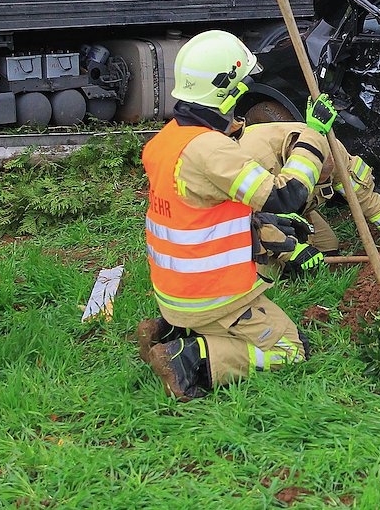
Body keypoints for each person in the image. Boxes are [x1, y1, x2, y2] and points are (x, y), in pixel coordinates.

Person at [137, 30, 338, 400]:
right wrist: (313, 136)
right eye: (242, 84)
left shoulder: (167, 140)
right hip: (213, 296)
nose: (246, 90)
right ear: (226, 91)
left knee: (281, 333)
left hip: (175, 291)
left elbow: (210, 212)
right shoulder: (211, 151)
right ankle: (190, 358)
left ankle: (173, 329)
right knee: (292, 349)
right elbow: (285, 197)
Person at [236, 121, 380, 257]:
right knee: (276, 262)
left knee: (328, 246)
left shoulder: (334, 151)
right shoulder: (256, 161)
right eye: (315, 181)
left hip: (297, 206)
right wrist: (291, 252)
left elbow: (366, 198)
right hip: (256, 217)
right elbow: (249, 222)